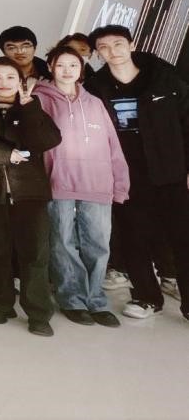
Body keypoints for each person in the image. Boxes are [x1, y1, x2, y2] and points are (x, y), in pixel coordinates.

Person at [86, 24, 189, 321]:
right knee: (134, 238)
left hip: (170, 172)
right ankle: (146, 297)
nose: (112, 51)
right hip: (126, 176)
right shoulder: (95, 88)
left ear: (131, 45)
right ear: (98, 53)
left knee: (183, 237)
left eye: (118, 44)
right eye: (104, 47)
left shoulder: (165, 79)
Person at [34, 44, 128, 328]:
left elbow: (113, 145)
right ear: (50, 67)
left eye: (73, 65)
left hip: (97, 183)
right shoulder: (39, 98)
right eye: (61, 65)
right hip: (58, 182)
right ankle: (72, 299)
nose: (67, 71)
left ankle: (96, 300)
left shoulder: (94, 102)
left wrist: (120, 183)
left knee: (98, 243)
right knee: (63, 243)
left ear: (81, 69)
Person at [0, 58, 61, 336]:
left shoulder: (31, 107)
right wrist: (6, 154)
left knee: (35, 253)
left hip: (30, 193)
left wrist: (29, 107)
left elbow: (47, 141)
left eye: (10, 77)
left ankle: (38, 313)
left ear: (21, 81)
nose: (4, 83)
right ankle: (0, 304)